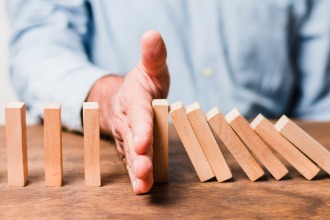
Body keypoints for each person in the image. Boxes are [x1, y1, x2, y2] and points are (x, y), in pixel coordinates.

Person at [6, 1, 330, 194]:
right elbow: (38, 42)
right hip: (115, 159)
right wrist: (109, 97)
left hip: (273, 174)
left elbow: (320, 99)